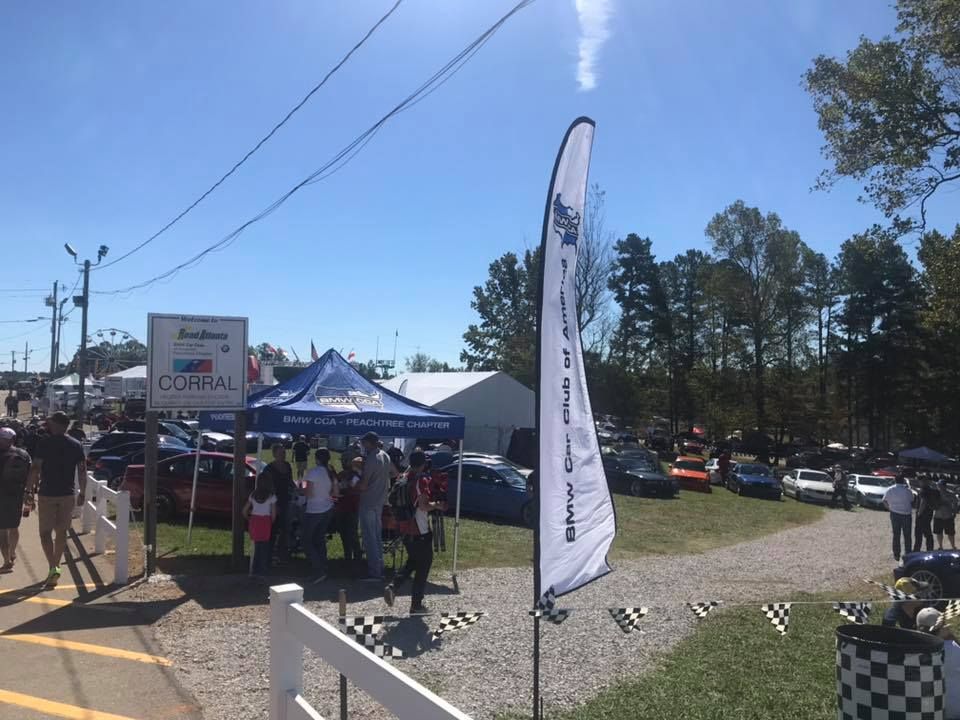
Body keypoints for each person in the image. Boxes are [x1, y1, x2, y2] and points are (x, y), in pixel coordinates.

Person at [26, 412, 86, 587]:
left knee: (45, 532)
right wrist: (82, 492)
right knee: (61, 532)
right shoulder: (76, 445)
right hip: (67, 494)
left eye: (51, 422)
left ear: (59, 424)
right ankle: (56, 565)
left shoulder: (44, 443)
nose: (49, 425)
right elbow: (82, 470)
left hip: (47, 493)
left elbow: (36, 467)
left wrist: (28, 490)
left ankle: (53, 566)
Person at [383, 451, 442, 614]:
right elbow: (423, 505)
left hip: (404, 527)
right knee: (423, 566)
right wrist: (436, 505)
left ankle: (394, 586)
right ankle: (416, 605)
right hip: (419, 529)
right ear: (424, 464)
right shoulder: (421, 480)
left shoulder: (403, 477)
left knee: (413, 561)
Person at [355, 432, 391, 581]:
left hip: (369, 501)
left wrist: (354, 481)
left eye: (364, 442)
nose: (362, 445)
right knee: (376, 537)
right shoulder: (385, 455)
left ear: (369, 443)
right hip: (379, 501)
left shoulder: (371, 459)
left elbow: (363, 485)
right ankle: (379, 567)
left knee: (369, 538)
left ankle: (375, 572)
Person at [916, 608, 960, 720]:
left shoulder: (912, 652)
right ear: (942, 627)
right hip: (955, 711)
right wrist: (952, 637)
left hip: (926, 712)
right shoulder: (953, 648)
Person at [301, 449, 337, 583]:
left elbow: (309, 493)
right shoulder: (330, 472)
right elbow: (335, 491)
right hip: (327, 507)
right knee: (319, 539)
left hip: (314, 509)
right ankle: (323, 567)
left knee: (306, 540)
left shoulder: (313, 472)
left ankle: (318, 570)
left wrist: (300, 490)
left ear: (317, 459)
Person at [0, 427, 31, 574]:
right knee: (13, 527)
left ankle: (6, 562)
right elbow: (30, 474)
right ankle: (12, 553)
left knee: (2, 530)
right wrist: (29, 493)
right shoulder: (23, 454)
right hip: (17, 495)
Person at [261, 444, 296, 564]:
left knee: (286, 530)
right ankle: (269, 556)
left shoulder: (287, 465)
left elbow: (290, 481)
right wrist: (274, 504)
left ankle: (283, 555)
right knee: (273, 531)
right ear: (274, 454)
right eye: (281, 453)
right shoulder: (269, 469)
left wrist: (296, 489)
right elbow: (266, 487)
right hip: (274, 503)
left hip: (286, 501)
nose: (283, 455)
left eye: (284, 453)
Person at [242, 474, 276, 580]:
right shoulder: (271, 496)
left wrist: (249, 519)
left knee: (256, 547)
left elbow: (244, 511)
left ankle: (254, 570)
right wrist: (271, 522)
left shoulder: (253, 495)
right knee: (264, 548)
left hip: (255, 521)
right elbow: (273, 513)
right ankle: (263, 570)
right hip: (265, 521)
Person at [334, 457, 362, 567]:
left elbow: (348, 485)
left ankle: (357, 558)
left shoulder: (356, 475)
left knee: (353, 534)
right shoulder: (341, 474)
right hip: (341, 507)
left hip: (352, 508)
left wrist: (339, 482)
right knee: (343, 534)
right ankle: (347, 558)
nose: (343, 463)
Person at [883, 474, 915, 562]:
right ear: (903, 480)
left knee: (896, 534)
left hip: (895, 513)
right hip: (906, 514)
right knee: (907, 535)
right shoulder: (907, 490)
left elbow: (884, 501)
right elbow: (912, 500)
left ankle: (896, 554)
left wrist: (890, 508)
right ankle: (908, 553)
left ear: (895, 480)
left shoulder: (890, 489)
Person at [915, 476, 940, 552]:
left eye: (920, 481)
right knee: (928, 532)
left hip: (922, 515)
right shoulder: (932, 491)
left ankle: (917, 550)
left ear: (922, 482)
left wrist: (919, 513)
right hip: (929, 514)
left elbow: (923, 502)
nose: (919, 483)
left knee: (918, 533)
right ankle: (929, 549)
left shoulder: (923, 491)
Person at [936, 479, 959, 550]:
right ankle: (940, 546)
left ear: (944, 486)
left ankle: (953, 546)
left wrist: (954, 512)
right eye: (938, 485)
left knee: (951, 533)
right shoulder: (935, 494)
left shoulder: (951, 494)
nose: (939, 487)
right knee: (939, 532)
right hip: (938, 516)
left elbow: (955, 503)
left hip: (948, 516)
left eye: (940, 485)